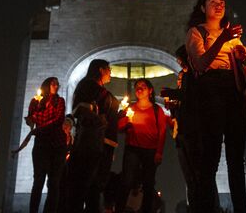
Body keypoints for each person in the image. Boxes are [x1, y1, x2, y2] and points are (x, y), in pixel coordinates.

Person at [185, 0, 246, 212]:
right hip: (210, 91)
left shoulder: (232, 35)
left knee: (236, 157)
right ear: (203, 7)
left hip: (234, 92)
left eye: (222, 1)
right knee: (210, 156)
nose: (219, 4)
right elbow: (201, 64)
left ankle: (241, 208)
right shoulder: (196, 32)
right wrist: (222, 39)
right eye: (212, 1)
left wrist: (243, 58)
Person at [62, 59, 120, 213]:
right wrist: (97, 117)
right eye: (109, 69)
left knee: (94, 187)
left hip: (101, 143)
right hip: (91, 141)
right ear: (101, 70)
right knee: (84, 185)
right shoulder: (88, 86)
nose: (111, 73)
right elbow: (81, 109)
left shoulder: (98, 89)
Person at [116, 79, 167, 213]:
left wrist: (159, 152)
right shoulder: (130, 108)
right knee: (126, 182)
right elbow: (119, 127)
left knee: (148, 184)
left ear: (150, 90)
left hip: (150, 151)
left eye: (143, 86)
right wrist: (126, 120)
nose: (139, 89)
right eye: (137, 87)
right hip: (132, 149)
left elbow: (162, 132)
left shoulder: (157, 110)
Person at [169, 45, 202, 212]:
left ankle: (202, 207)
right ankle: (194, 206)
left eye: (180, 60)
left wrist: (173, 93)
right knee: (189, 175)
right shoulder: (185, 78)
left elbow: (191, 97)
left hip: (192, 131)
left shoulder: (195, 76)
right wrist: (173, 106)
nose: (179, 82)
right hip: (181, 134)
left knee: (198, 174)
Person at [28, 77, 67, 213]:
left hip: (57, 145)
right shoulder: (35, 101)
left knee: (54, 183)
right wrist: (36, 113)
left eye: (57, 84)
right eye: (52, 83)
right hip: (41, 146)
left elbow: (59, 119)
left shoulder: (60, 101)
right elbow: (30, 119)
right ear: (46, 86)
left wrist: (40, 126)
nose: (56, 86)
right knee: (38, 181)